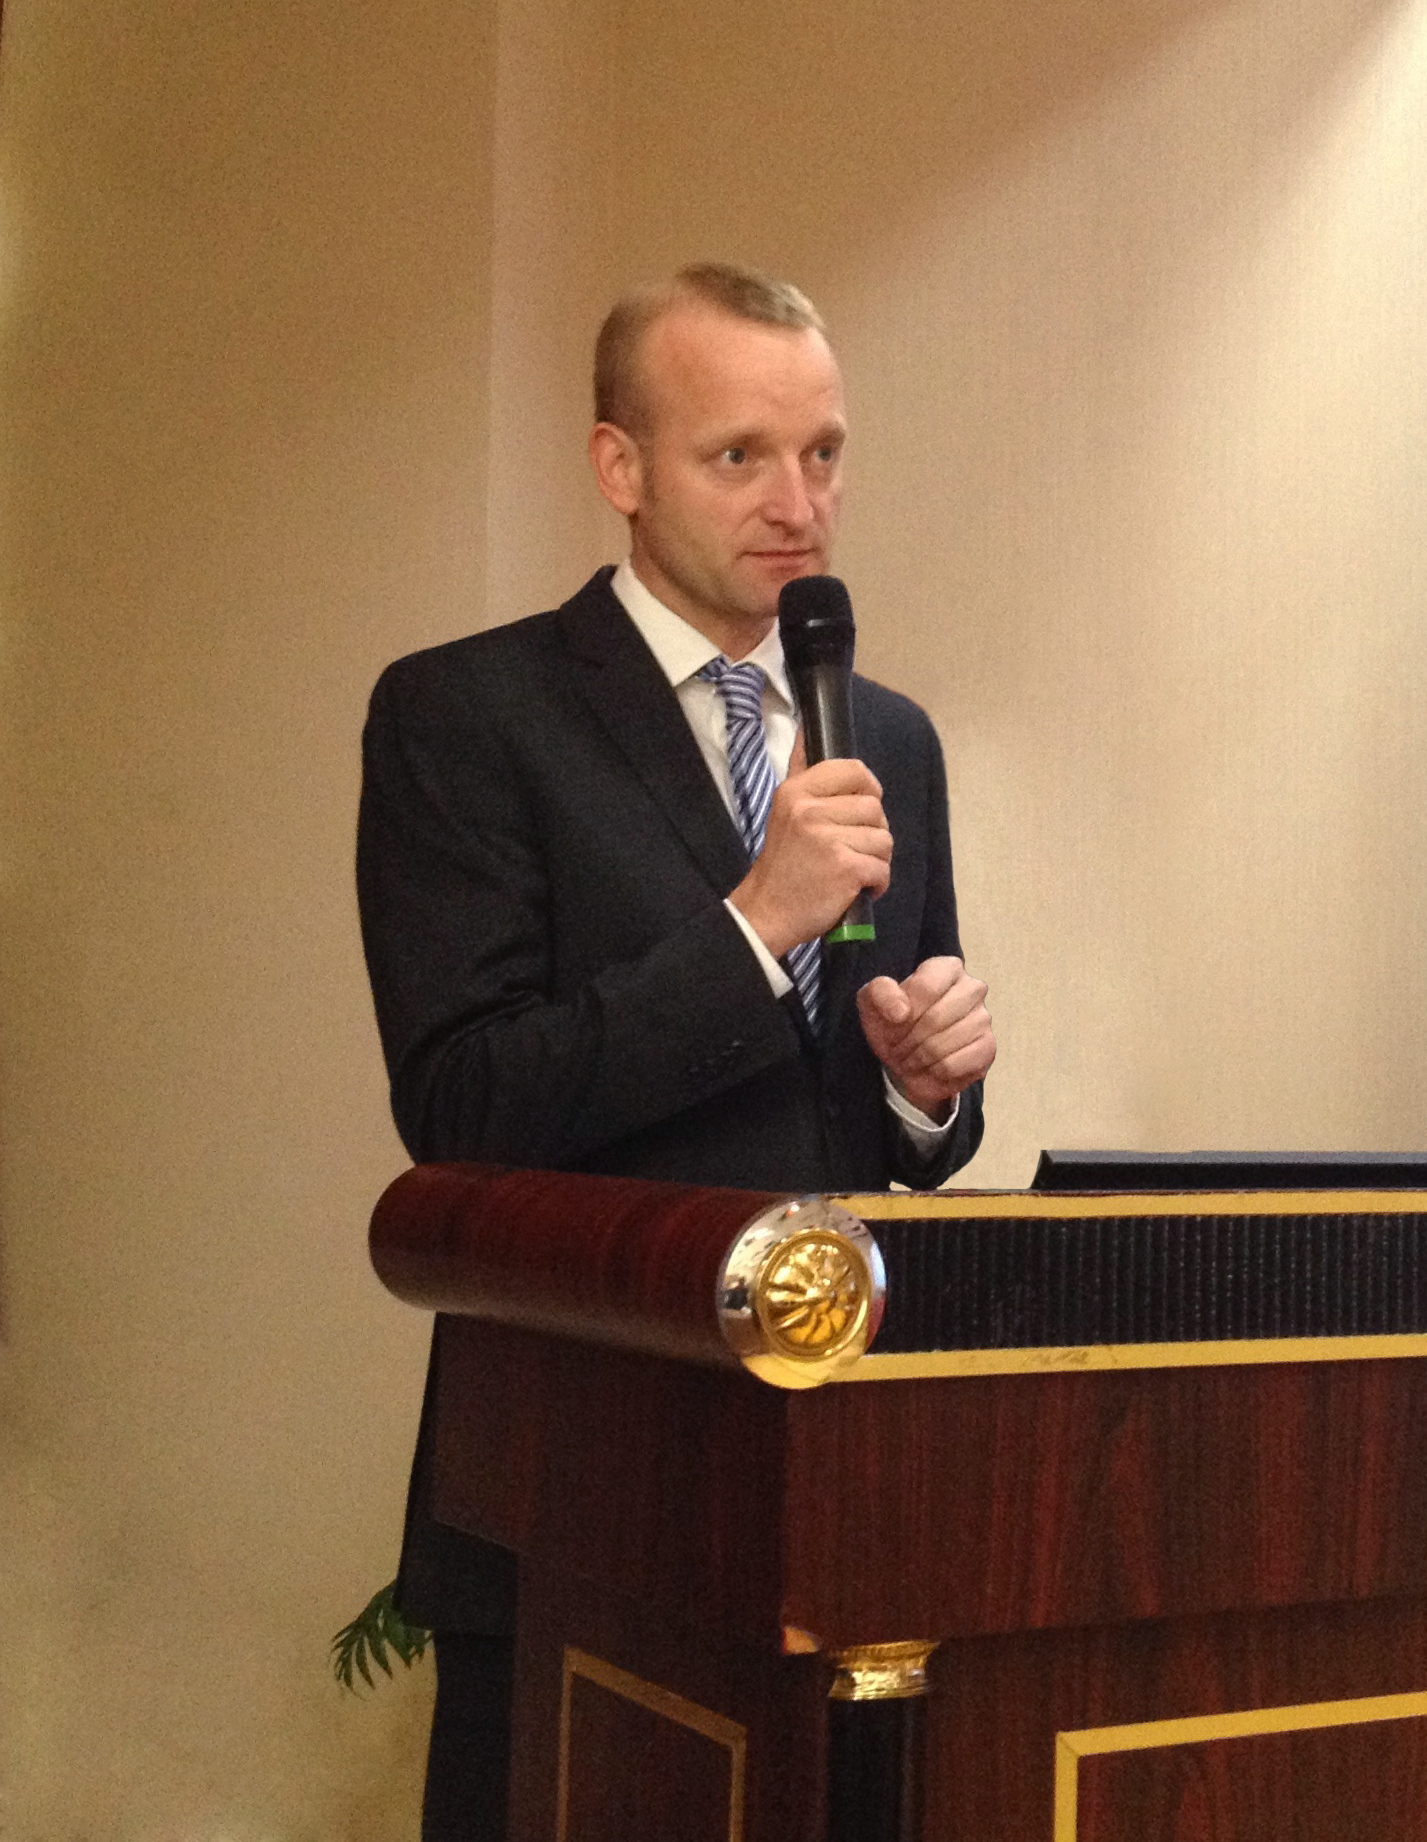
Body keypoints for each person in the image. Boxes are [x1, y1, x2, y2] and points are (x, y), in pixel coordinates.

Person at [355, 261, 995, 1838]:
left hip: (841, 1489)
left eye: (824, 452)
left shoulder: (886, 733)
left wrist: (928, 1086)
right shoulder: (468, 713)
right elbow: (464, 1102)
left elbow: (882, 1125)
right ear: (620, 467)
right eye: (739, 455)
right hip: (579, 1481)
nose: (799, 503)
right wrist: (753, 924)